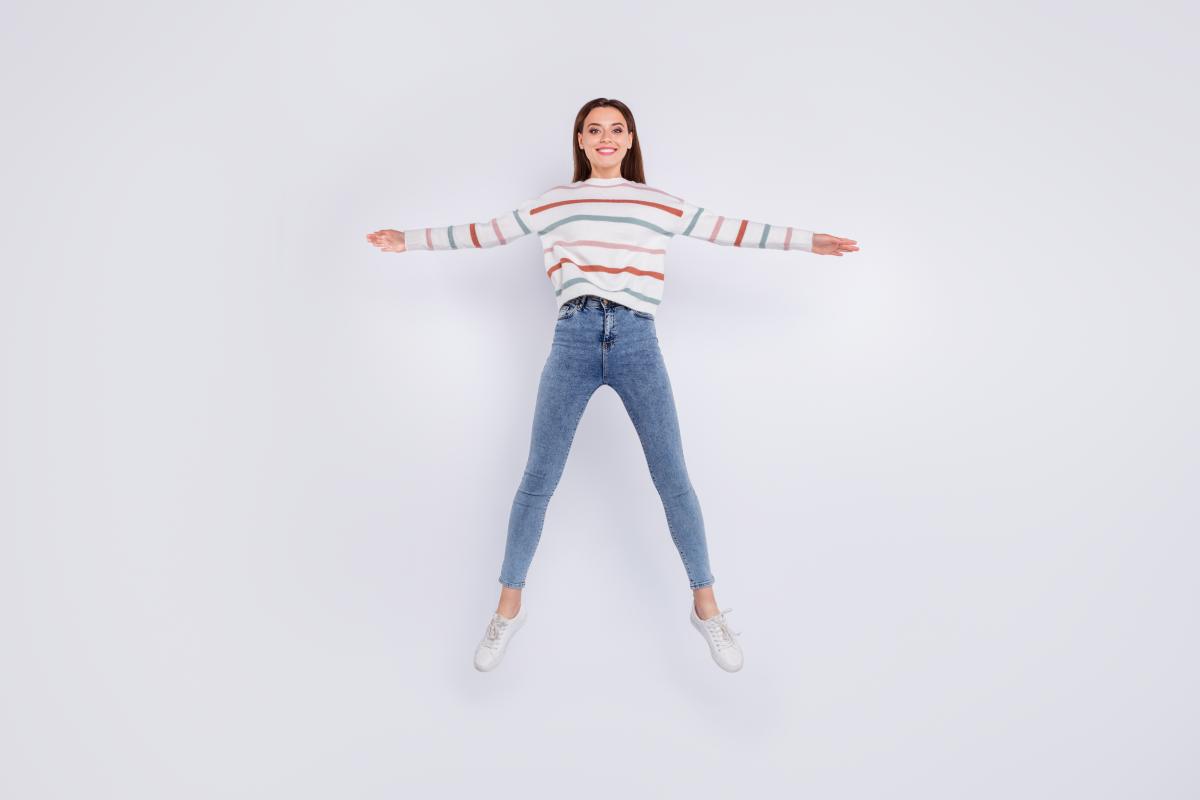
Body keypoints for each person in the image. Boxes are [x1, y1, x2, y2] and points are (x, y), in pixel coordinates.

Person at [366, 97, 859, 673]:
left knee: (673, 478)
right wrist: (408, 240)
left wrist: (810, 242)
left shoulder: (657, 203)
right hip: (573, 339)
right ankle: (508, 608)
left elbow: (733, 230)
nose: (606, 137)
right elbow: (485, 232)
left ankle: (706, 606)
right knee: (538, 479)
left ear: (630, 139)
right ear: (580, 139)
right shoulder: (555, 202)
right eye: (594, 129)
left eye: (617, 129)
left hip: (637, 342)